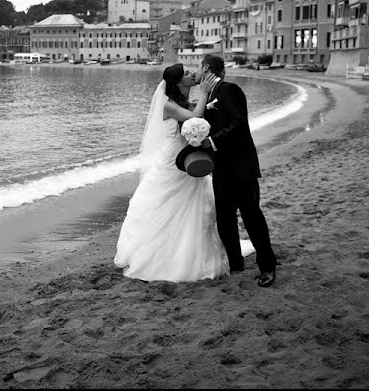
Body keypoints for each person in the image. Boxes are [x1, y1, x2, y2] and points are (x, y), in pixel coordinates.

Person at [114, 63, 253, 282]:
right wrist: (206, 92)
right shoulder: (169, 106)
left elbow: (203, 113)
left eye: (191, 72)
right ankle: (166, 254)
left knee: (198, 203)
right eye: (186, 74)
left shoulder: (187, 102)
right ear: (178, 82)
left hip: (190, 159)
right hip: (173, 161)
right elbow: (195, 118)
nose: (191, 75)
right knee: (166, 203)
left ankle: (198, 251)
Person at [175, 54, 277, 287]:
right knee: (225, 218)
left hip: (241, 166)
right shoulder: (208, 96)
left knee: (251, 216)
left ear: (207, 68)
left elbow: (239, 125)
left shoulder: (230, 90)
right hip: (221, 168)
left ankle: (268, 266)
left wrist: (210, 142)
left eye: (198, 67)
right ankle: (235, 262)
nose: (196, 71)